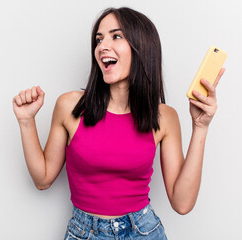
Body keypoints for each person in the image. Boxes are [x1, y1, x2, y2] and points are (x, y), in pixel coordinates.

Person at [12, 7, 225, 240]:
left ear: (141, 47)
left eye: (116, 36)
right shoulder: (70, 106)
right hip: (85, 232)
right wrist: (26, 121)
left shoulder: (164, 117)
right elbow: (42, 180)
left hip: (144, 231)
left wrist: (201, 127)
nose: (102, 46)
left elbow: (182, 203)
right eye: (99, 39)